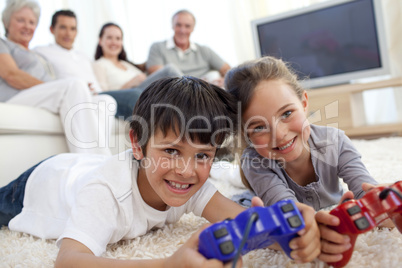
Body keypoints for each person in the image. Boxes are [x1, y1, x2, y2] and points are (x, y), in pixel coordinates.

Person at [0, 76, 321, 267]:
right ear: (137, 144)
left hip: (81, 167)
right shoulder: (105, 193)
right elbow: (68, 261)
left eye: (203, 156)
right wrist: (167, 264)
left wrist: (296, 234)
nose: (185, 171)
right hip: (38, 185)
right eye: (171, 151)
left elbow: (238, 218)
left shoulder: (192, 183)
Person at [224, 56, 379, 211]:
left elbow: (367, 191)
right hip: (256, 193)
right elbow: (290, 213)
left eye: (287, 113)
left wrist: (380, 201)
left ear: (304, 103)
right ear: (245, 133)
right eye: (258, 127)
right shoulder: (254, 162)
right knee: (230, 177)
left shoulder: (335, 141)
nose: (279, 135)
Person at [0, 0, 115, 155]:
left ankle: (96, 158)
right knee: (72, 86)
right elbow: (11, 74)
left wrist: (81, 90)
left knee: (105, 101)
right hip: (16, 97)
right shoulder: (4, 44)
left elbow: (57, 83)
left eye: (32, 22)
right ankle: (96, 165)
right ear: (6, 21)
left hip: (42, 97)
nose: (27, 26)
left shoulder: (37, 54)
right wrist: (60, 86)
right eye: (21, 20)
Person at [93, 22, 182, 120]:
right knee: (169, 70)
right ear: (100, 40)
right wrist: (131, 83)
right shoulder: (99, 64)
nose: (114, 42)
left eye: (118, 38)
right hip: (130, 95)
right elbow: (104, 94)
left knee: (171, 79)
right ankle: (195, 96)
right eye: (109, 37)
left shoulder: (126, 64)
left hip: (144, 92)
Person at [146, 9, 230, 88]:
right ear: (172, 26)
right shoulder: (157, 47)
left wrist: (225, 80)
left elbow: (227, 70)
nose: (182, 30)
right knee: (170, 69)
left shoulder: (204, 50)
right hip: (173, 92)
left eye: (187, 26)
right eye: (178, 25)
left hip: (201, 94)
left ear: (193, 28)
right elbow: (159, 77)